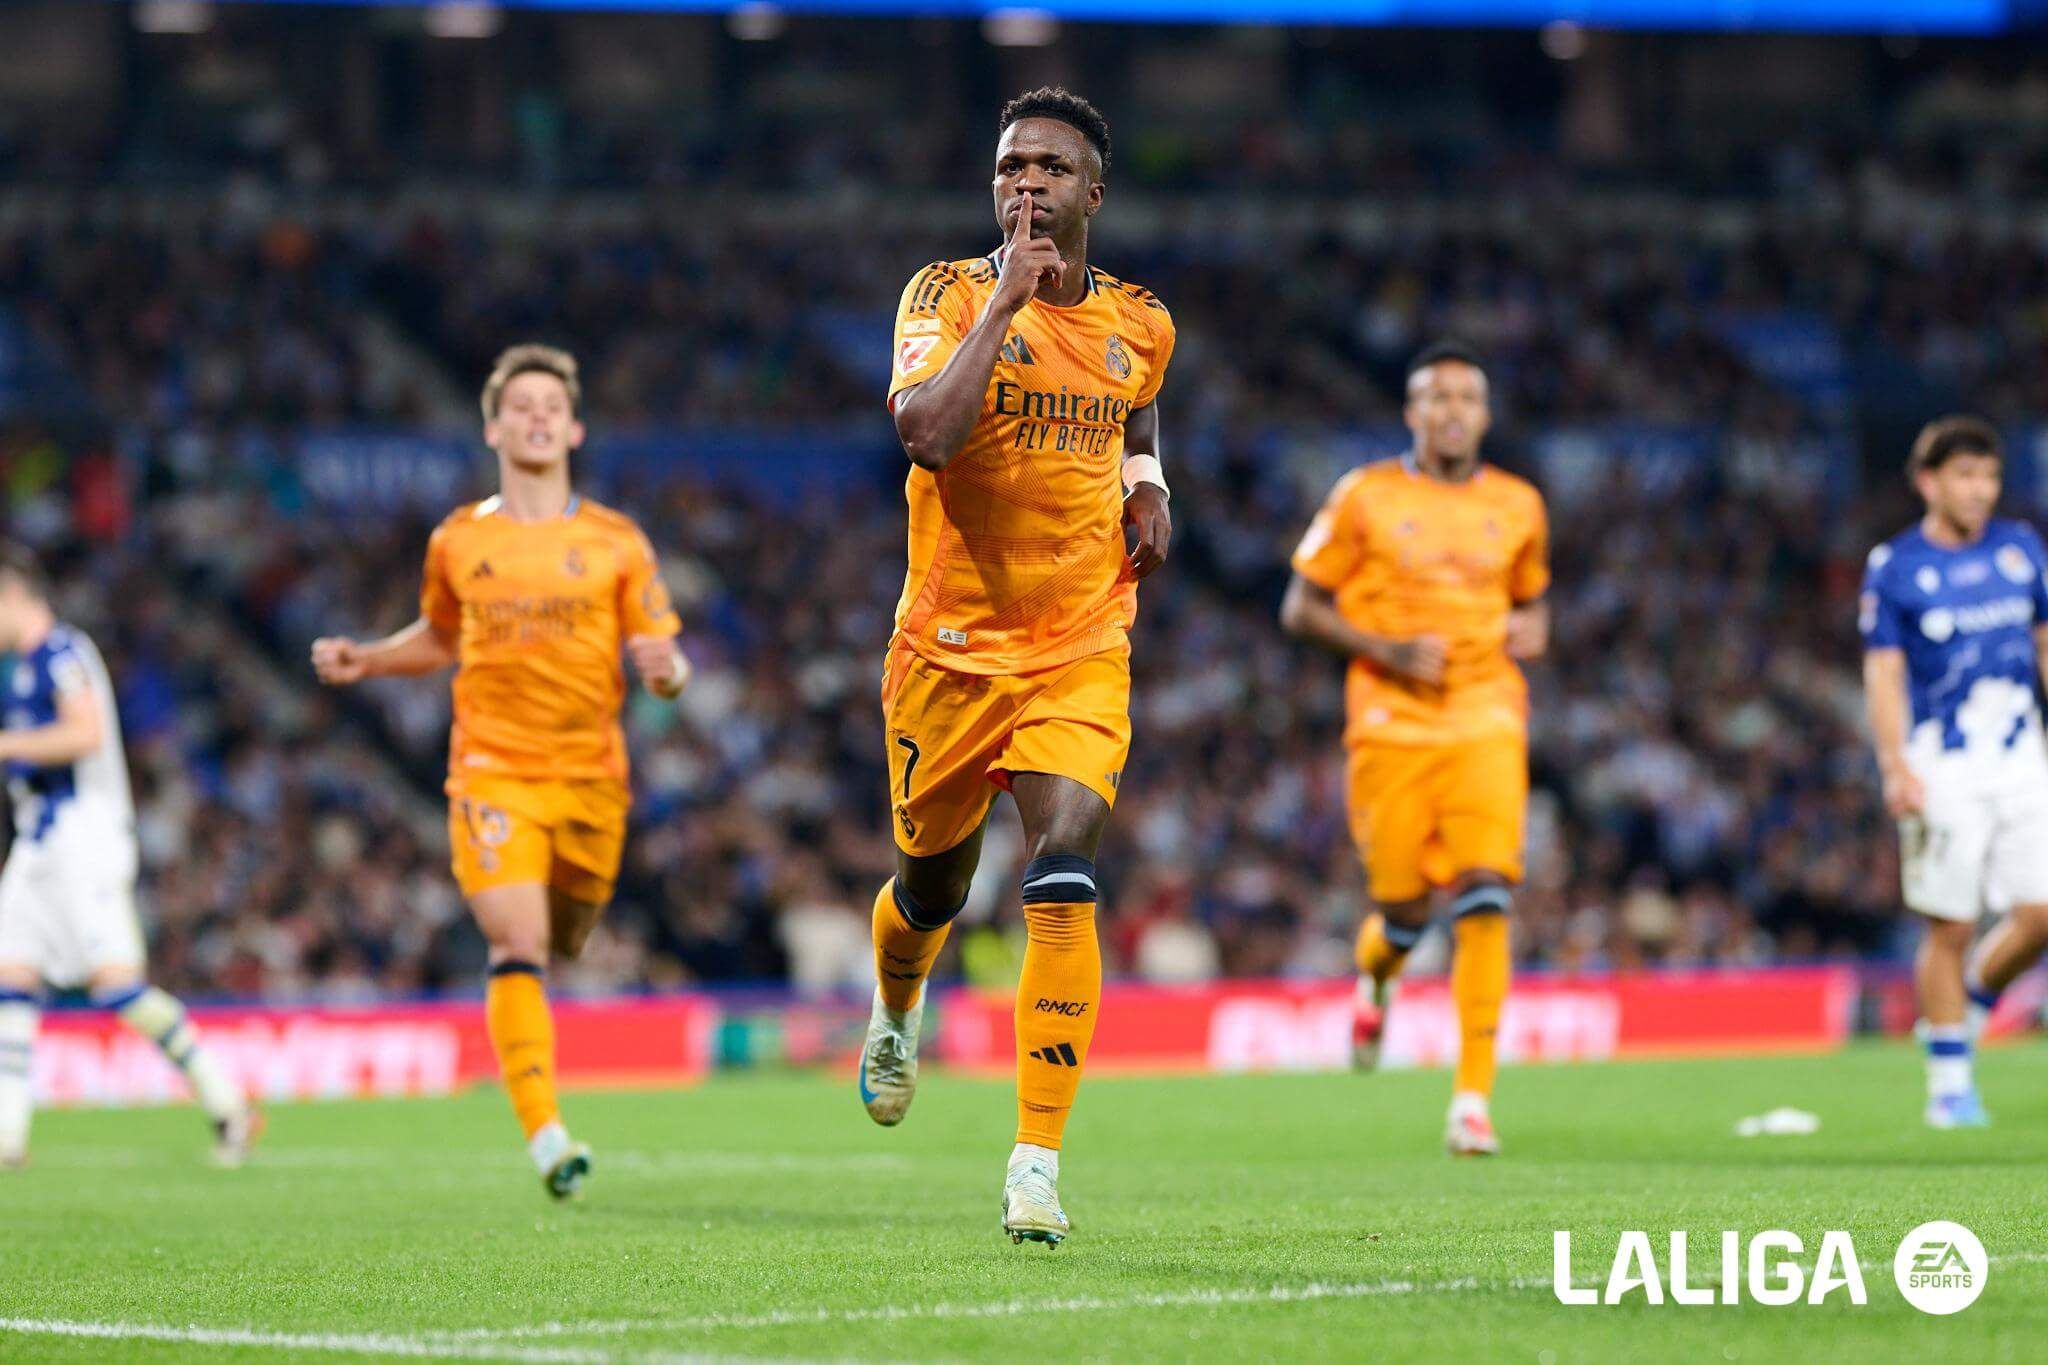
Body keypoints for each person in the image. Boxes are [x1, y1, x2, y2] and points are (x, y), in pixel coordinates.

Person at [857, 87, 1175, 1247]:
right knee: (930, 892)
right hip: (944, 656)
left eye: (1047, 166)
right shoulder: (943, 295)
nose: (1023, 182)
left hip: (1079, 644)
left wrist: (1148, 487)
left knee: (1060, 870)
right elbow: (926, 435)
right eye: (1007, 166)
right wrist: (1006, 297)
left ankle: (1033, 1161)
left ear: (1093, 191)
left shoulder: (1141, 322)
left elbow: (1138, 419)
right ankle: (898, 1006)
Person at [313, 344, 687, 1195]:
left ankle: (543, 1059)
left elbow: (663, 654)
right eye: (520, 403)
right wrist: (366, 660)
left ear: (575, 425)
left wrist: (669, 674)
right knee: (517, 943)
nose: (537, 415)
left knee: (566, 935)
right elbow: (441, 636)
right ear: (493, 425)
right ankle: (545, 1131)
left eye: (552, 402)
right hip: (492, 772)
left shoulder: (615, 541)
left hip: (593, 778)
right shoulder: (459, 540)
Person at [1280, 343, 1549, 1157]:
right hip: (1390, 723)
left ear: (1486, 414)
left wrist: (1533, 630)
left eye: (1468, 397)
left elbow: (1533, 604)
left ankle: (1471, 1098)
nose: (1453, 410)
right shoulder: (1365, 495)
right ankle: (1377, 977)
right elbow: (1300, 607)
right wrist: (1388, 650)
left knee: (1486, 893)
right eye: (1436, 397)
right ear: (1412, 413)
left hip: (1485, 715)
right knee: (1403, 911)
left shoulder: (1521, 504)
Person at [0, 544, 259, 1168]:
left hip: (83, 840)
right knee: (10, 981)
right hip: (38, 844)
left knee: (116, 988)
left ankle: (227, 1101)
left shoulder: (63, 653)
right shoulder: (22, 668)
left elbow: (84, 732)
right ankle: (7, 1137)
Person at [1860, 415, 2048, 1129]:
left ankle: (1964, 1007)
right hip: (1944, 764)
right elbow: (1882, 671)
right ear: (1928, 481)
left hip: (2022, 755)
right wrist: (1894, 763)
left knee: (2040, 915)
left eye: (1991, 476)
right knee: (1951, 922)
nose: (1981, 490)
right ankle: (1948, 1083)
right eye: (1966, 475)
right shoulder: (1896, 566)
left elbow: (2044, 642)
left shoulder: (2021, 548)